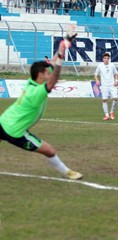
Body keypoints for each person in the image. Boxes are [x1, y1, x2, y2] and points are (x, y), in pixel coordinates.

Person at [0, 37, 83, 180]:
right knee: (50, 151)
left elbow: (50, 64)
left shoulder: (31, 82)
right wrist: (61, 57)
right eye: (47, 73)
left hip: (3, 122)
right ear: (40, 75)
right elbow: (53, 79)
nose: (49, 73)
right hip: (15, 131)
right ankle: (67, 172)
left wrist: (64, 45)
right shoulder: (36, 92)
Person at [95, 53, 118, 120]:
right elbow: (95, 74)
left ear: (109, 59)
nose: (106, 60)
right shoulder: (100, 66)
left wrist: (116, 80)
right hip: (104, 85)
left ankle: (111, 112)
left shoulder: (112, 65)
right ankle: (106, 115)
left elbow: (116, 73)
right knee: (104, 100)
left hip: (112, 85)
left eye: (107, 58)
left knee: (115, 98)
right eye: (105, 58)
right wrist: (97, 80)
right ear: (103, 59)